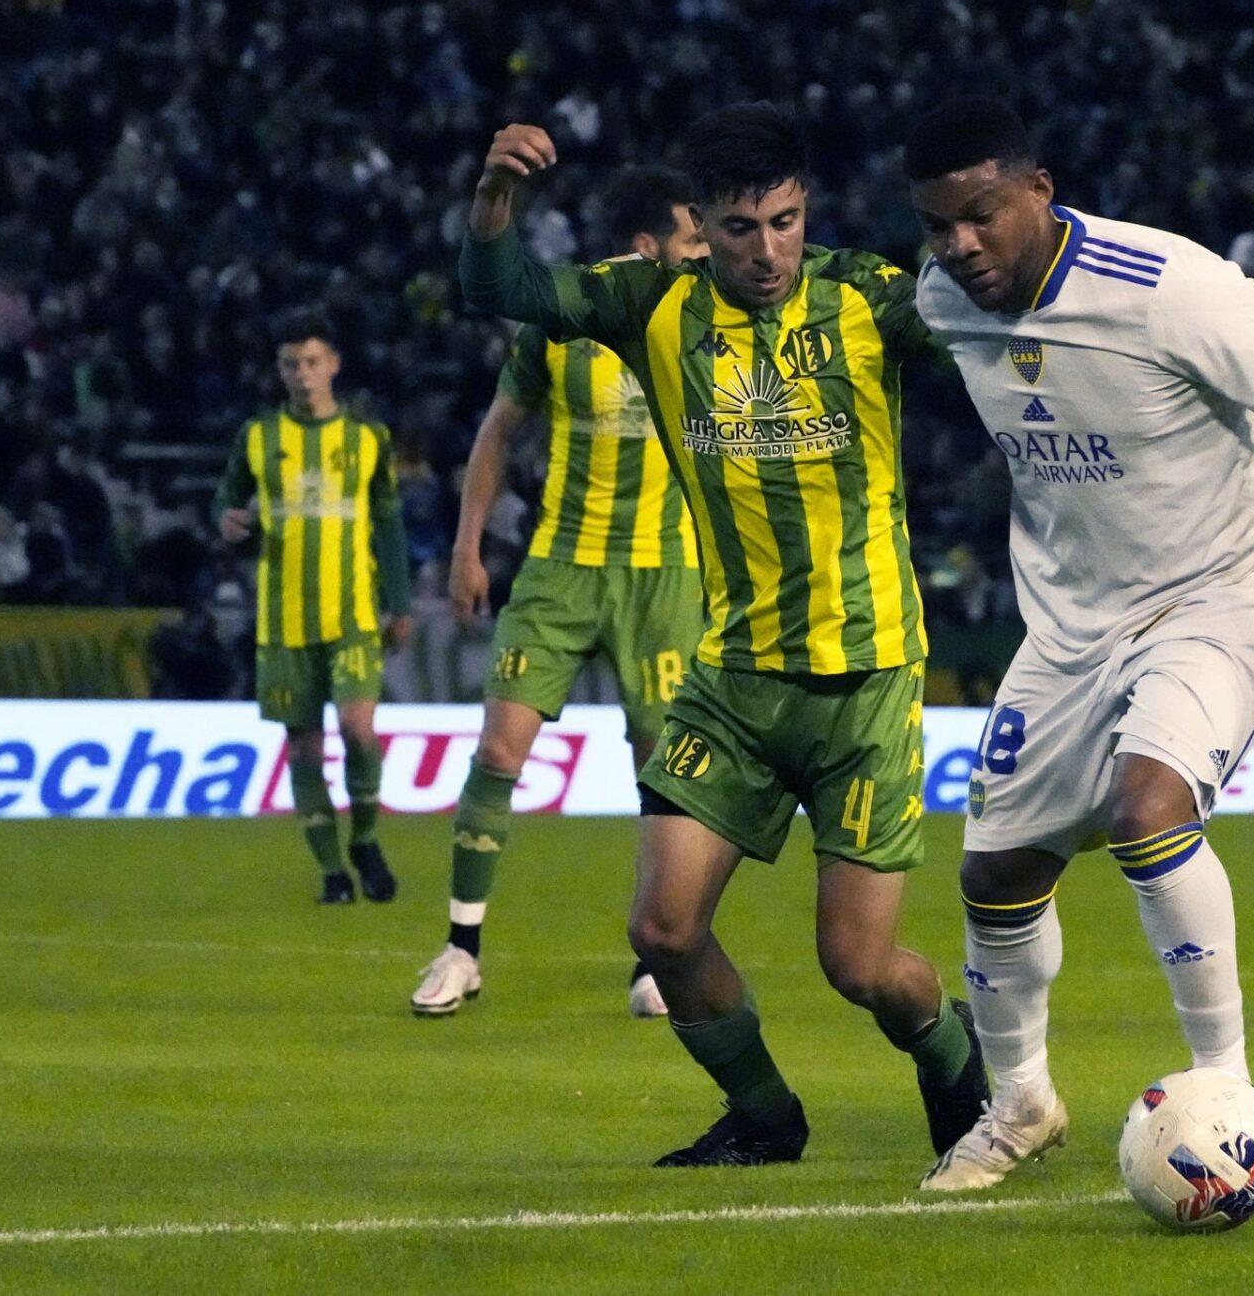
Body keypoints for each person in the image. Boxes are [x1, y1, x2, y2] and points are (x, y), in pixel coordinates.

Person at [902, 99, 1254, 1191]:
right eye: (936, 226)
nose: (959, 246)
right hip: (1072, 622)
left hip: (1226, 592)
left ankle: (1230, 1096)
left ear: (1038, 189)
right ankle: (1019, 1102)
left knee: (1147, 810)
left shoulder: (1169, 285)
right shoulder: (941, 299)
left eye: (979, 215)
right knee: (997, 874)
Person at [458, 103, 987, 1167]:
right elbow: (501, 291)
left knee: (860, 965)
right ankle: (765, 1115)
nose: (768, 250)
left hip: (867, 679)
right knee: (661, 928)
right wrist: (496, 198)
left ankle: (964, 1078)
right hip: (734, 682)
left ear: (808, 208)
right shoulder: (649, 301)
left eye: (786, 222)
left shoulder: (872, 295)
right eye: (741, 229)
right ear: (697, 225)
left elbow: (1004, 330)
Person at [413, 167, 710, 1022]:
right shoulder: (559, 324)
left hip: (664, 573)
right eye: (692, 239)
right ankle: (461, 948)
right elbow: (496, 433)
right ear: (647, 247)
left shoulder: (707, 324)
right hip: (561, 567)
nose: (704, 253)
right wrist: (468, 549)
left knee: (661, 772)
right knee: (499, 751)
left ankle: (653, 960)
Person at [213, 311, 414, 905]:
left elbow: (389, 525)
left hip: (352, 615)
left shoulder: (367, 438)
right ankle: (332, 871)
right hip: (282, 621)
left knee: (358, 730)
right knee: (302, 747)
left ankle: (367, 838)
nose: (301, 375)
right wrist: (228, 521)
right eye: (290, 364)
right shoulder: (257, 437)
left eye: (311, 362)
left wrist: (399, 603)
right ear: (279, 370)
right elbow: (227, 500)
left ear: (333, 366)